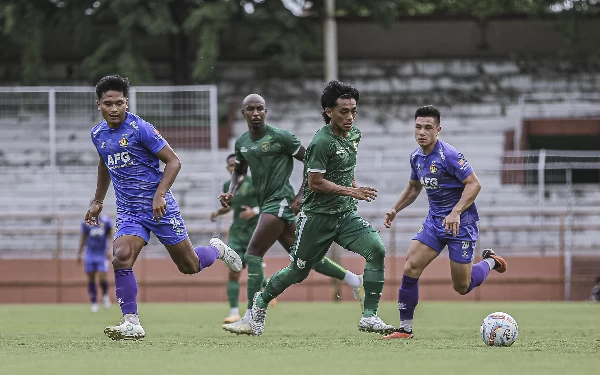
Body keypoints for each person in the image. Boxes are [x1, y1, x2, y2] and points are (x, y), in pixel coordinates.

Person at [86, 75, 242, 341]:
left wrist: (160, 195)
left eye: (119, 103)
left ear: (127, 102)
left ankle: (215, 248)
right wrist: (98, 201)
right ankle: (131, 322)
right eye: (107, 103)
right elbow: (105, 165)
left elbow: (173, 162)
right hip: (129, 211)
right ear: (98, 104)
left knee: (189, 266)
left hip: (160, 207)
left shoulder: (140, 128)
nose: (114, 108)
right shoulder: (98, 134)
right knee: (120, 256)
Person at [246, 80, 395, 336]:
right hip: (316, 218)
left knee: (376, 250)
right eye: (344, 112)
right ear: (329, 111)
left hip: (345, 214)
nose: (350, 117)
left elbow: (346, 170)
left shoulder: (355, 134)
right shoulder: (321, 142)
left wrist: (353, 188)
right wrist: (352, 191)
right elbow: (314, 183)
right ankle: (260, 304)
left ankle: (369, 316)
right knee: (298, 272)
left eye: (354, 111)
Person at [219, 92, 365, 335]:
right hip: (269, 203)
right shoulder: (242, 142)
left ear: (266, 112)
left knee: (253, 255)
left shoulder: (281, 137)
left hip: (280, 201)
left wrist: (299, 195)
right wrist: (232, 191)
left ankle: (249, 317)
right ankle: (355, 281)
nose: (256, 113)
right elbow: (240, 171)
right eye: (251, 109)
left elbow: (312, 162)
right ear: (243, 113)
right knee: (305, 258)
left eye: (260, 108)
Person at [381, 105, 508, 340]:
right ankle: (405, 329)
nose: (422, 132)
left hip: (461, 223)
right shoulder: (416, 157)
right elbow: (414, 186)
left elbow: (474, 184)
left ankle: (490, 262)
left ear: (438, 130)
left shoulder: (449, 155)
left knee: (462, 286)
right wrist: (394, 209)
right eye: (418, 127)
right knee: (411, 266)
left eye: (428, 127)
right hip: (435, 222)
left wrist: (456, 212)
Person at [211, 153, 274, 323]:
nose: (234, 168)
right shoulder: (227, 185)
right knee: (233, 271)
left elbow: (269, 202)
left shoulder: (255, 182)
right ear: (227, 168)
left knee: (254, 269)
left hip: (255, 233)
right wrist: (218, 212)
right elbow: (230, 207)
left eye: (236, 165)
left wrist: (254, 211)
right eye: (231, 165)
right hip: (237, 234)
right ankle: (233, 312)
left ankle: (267, 291)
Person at [77, 212, 114, 312]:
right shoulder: (86, 222)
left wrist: (110, 249)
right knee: (91, 277)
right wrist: (79, 253)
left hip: (102, 254)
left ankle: (105, 294)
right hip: (90, 254)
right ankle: (94, 302)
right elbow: (83, 238)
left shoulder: (106, 221)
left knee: (103, 275)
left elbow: (111, 236)